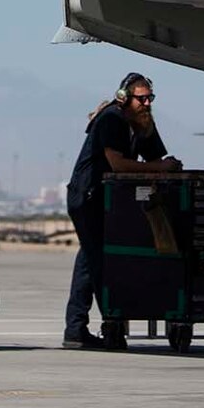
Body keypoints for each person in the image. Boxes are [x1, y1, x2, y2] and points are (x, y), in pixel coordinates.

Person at [62, 71, 181, 349]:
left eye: (150, 98)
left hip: (109, 200)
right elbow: (117, 163)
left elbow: (155, 158)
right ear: (125, 98)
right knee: (96, 261)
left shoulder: (141, 122)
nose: (147, 104)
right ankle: (100, 326)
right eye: (141, 99)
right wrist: (160, 168)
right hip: (88, 196)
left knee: (92, 258)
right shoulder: (112, 119)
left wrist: (168, 166)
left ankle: (82, 327)